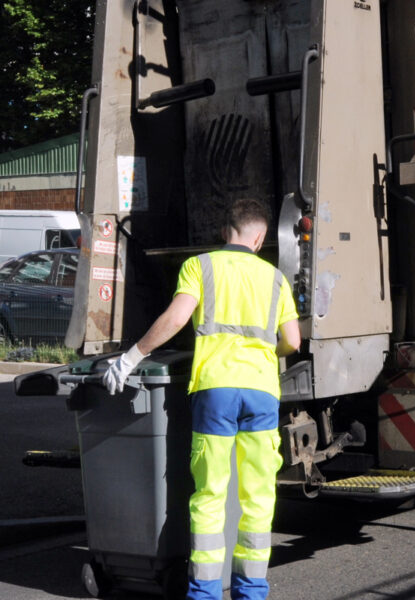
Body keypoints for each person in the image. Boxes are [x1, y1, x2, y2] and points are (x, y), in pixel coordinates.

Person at [102, 197, 300, 600]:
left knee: (210, 495)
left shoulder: (200, 266)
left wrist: (130, 358)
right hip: (262, 393)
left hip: (216, 391)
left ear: (224, 231)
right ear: (260, 237)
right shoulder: (276, 278)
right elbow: (292, 341)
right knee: (259, 497)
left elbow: (176, 318)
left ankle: (206, 593)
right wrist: (263, 355)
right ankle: (251, 591)